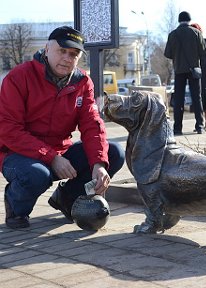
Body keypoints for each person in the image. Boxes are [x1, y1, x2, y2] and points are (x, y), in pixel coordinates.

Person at [0, 26, 125, 229]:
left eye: (74, 54)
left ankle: (67, 198)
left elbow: (92, 125)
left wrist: (99, 164)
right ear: (47, 48)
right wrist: (51, 157)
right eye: (62, 51)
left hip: (60, 152)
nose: (67, 58)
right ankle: (16, 207)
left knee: (113, 153)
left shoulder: (83, 82)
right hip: (17, 154)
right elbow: (8, 130)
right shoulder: (18, 77)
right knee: (37, 175)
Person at [164, 11, 206, 135]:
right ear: (189, 19)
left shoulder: (173, 34)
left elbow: (167, 53)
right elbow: (202, 51)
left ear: (179, 20)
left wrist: (178, 57)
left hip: (179, 70)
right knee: (196, 98)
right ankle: (199, 126)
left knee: (179, 99)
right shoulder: (196, 33)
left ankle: (178, 129)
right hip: (194, 69)